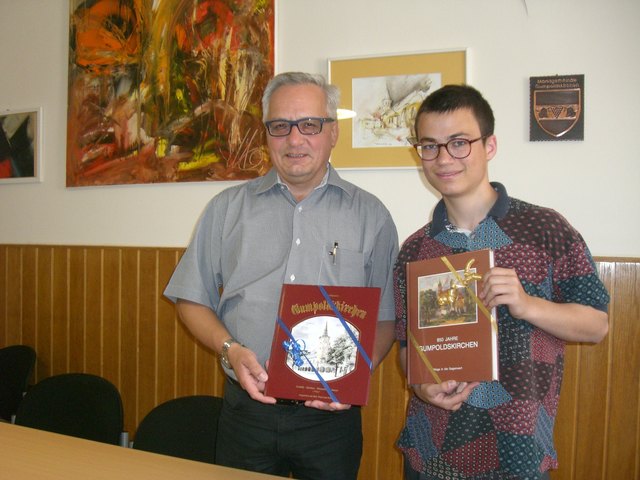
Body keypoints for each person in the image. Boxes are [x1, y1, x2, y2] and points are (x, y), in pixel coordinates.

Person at [164, 71, 399, 480]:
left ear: (332, 132)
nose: (295, 139)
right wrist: (229, 350)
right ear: (266, 133)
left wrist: (357, 370)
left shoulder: (371, 215)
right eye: (280, 126)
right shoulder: (226, 209)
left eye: (309, 124)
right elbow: (191, 297)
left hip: (331, 421)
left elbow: (386, 316)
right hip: (245, 414)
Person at [394, 84, 609, 480]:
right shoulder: (415, 250)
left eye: (459, 143)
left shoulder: (544, 228)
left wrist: (528, 305)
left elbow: (597, 325)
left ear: (489, 146)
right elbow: (409, 348)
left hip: (519, 451)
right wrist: (421, 385)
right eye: (430, 146)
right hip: (433, 452)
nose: (444, 158)